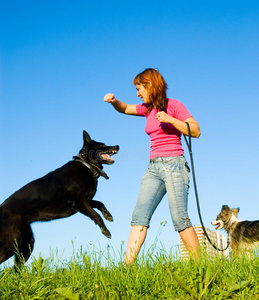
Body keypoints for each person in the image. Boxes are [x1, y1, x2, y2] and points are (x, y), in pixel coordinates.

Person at [104, 68, 201, 264]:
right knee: (139, 216)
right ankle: (126, 269)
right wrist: (114, 102)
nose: (137, 93)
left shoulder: (173, 105)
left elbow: (196, 131)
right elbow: (125, 108)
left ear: (151, 85)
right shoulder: (147, 109)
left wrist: (171, 119)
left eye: (139, 88)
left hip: (174, 165)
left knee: (180, 219)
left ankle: (201, 265)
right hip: (154, 168)